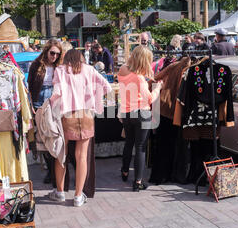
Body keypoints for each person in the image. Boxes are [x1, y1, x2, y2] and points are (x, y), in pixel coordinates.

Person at [49, 49, 112, 206]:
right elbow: (107, 87)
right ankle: (78, 196)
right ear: (81, 58)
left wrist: (51, 106)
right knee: (81, 156)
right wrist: (93, 99)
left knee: (61, 154)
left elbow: (56, 94)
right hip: (86, 115)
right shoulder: (89, 69)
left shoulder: (60, 70)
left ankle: (60, 192)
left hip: (66, 117)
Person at [118, 45, 163, 192]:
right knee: (140, 148)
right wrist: (158, 88)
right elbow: (149, 99)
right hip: (141, 113)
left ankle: (125, 171)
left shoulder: (122, 70)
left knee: (128, 143)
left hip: (126, 113)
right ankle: (137, 181)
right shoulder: (139, 78)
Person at [28, 39, 65, 185]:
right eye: (52, 53)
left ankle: (54, 172)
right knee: (43, 137)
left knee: (54, 136)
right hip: (39, 100)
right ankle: (51, 171)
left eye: (57, 53)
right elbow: (29, 86)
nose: (54, 56)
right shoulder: (36, 65)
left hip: (55, 100)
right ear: (46, 51)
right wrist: (31, 105)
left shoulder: (59, 67)